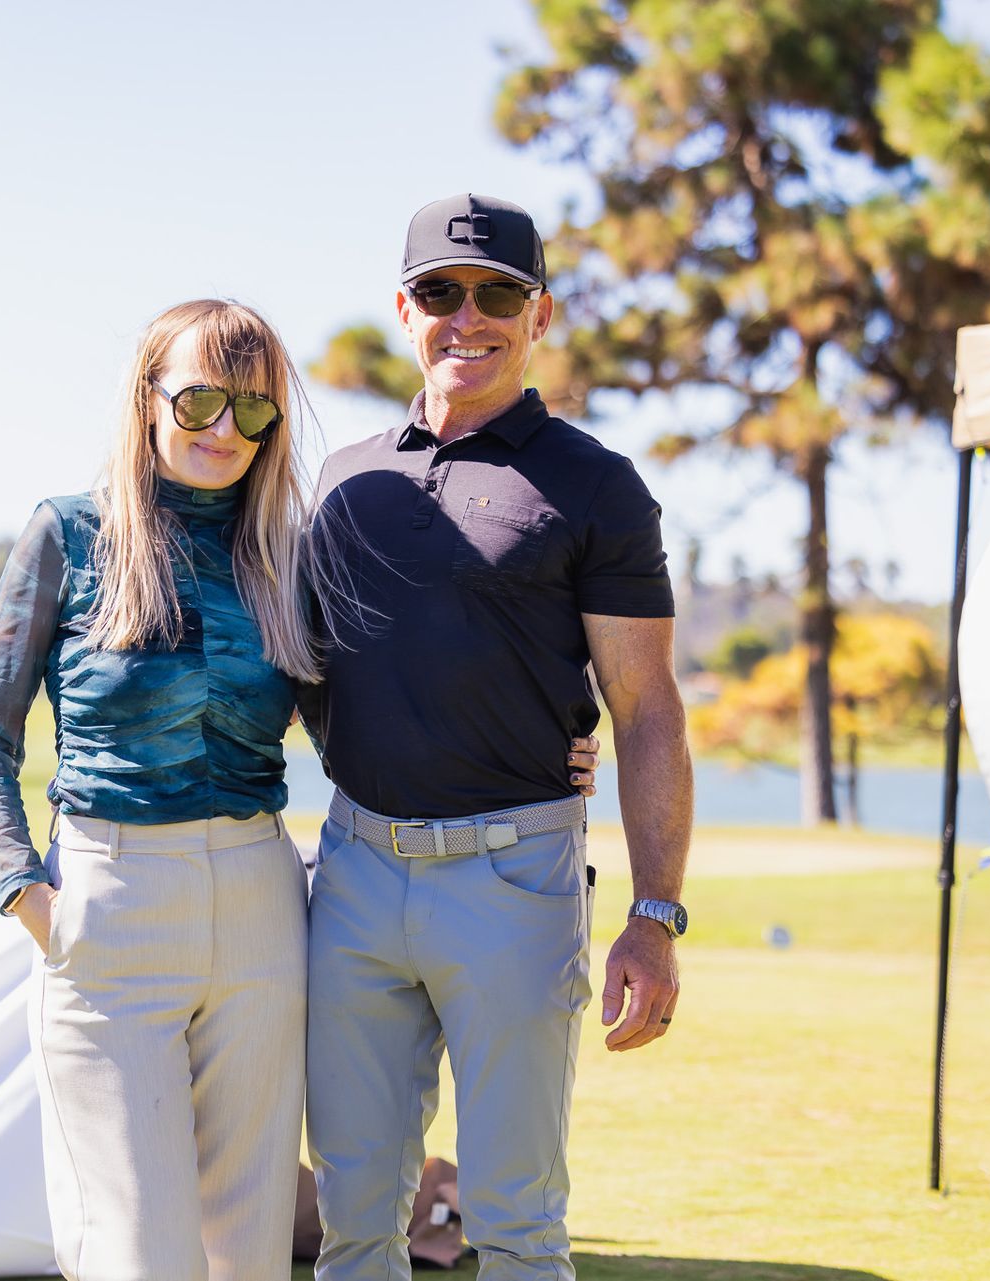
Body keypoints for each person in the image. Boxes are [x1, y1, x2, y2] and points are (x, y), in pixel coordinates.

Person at [0, 297, 601, 1281]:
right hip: (109, 899)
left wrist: (531, 747)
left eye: (255, 414)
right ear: (147, 400)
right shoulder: (68, 535)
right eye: (203, 401)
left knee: (248, 1247)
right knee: (136, 1249)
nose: (227, 432)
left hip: (261, 906)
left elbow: (373, 716)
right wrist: (25, 894)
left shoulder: (288, 554)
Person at [300, 194, 694, 1281]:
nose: (465, 317)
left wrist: (655, 917)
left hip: (514, 880)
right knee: (353, 1224)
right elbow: (302, 671)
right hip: (355, 877)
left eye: (497, 295)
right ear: (404, 309)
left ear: (540, 313)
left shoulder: (598, 486)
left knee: (517, 1226)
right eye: (439, 293)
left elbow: (648, 705)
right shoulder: (346, 482)